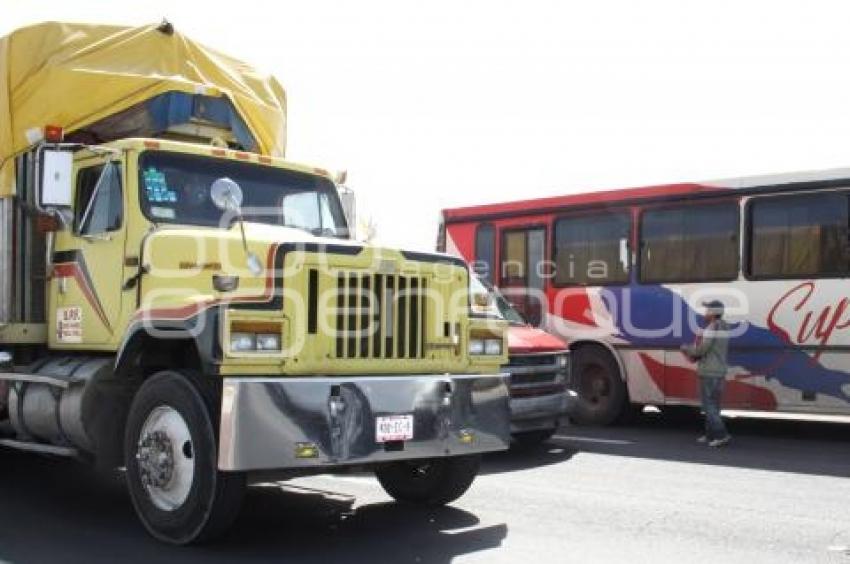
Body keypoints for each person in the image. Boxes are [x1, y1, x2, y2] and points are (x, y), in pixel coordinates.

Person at [681, 300, 731, 447]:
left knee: (708, 405)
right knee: (714, 405)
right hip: (719, 371)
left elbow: (702, 350)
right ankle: (710, 435)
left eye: (707, 310)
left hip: (709, 371)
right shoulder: (724, 327)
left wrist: (686, 349)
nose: (705, 313)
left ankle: (721, 435)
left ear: (713, 313)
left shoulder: (711, 328)